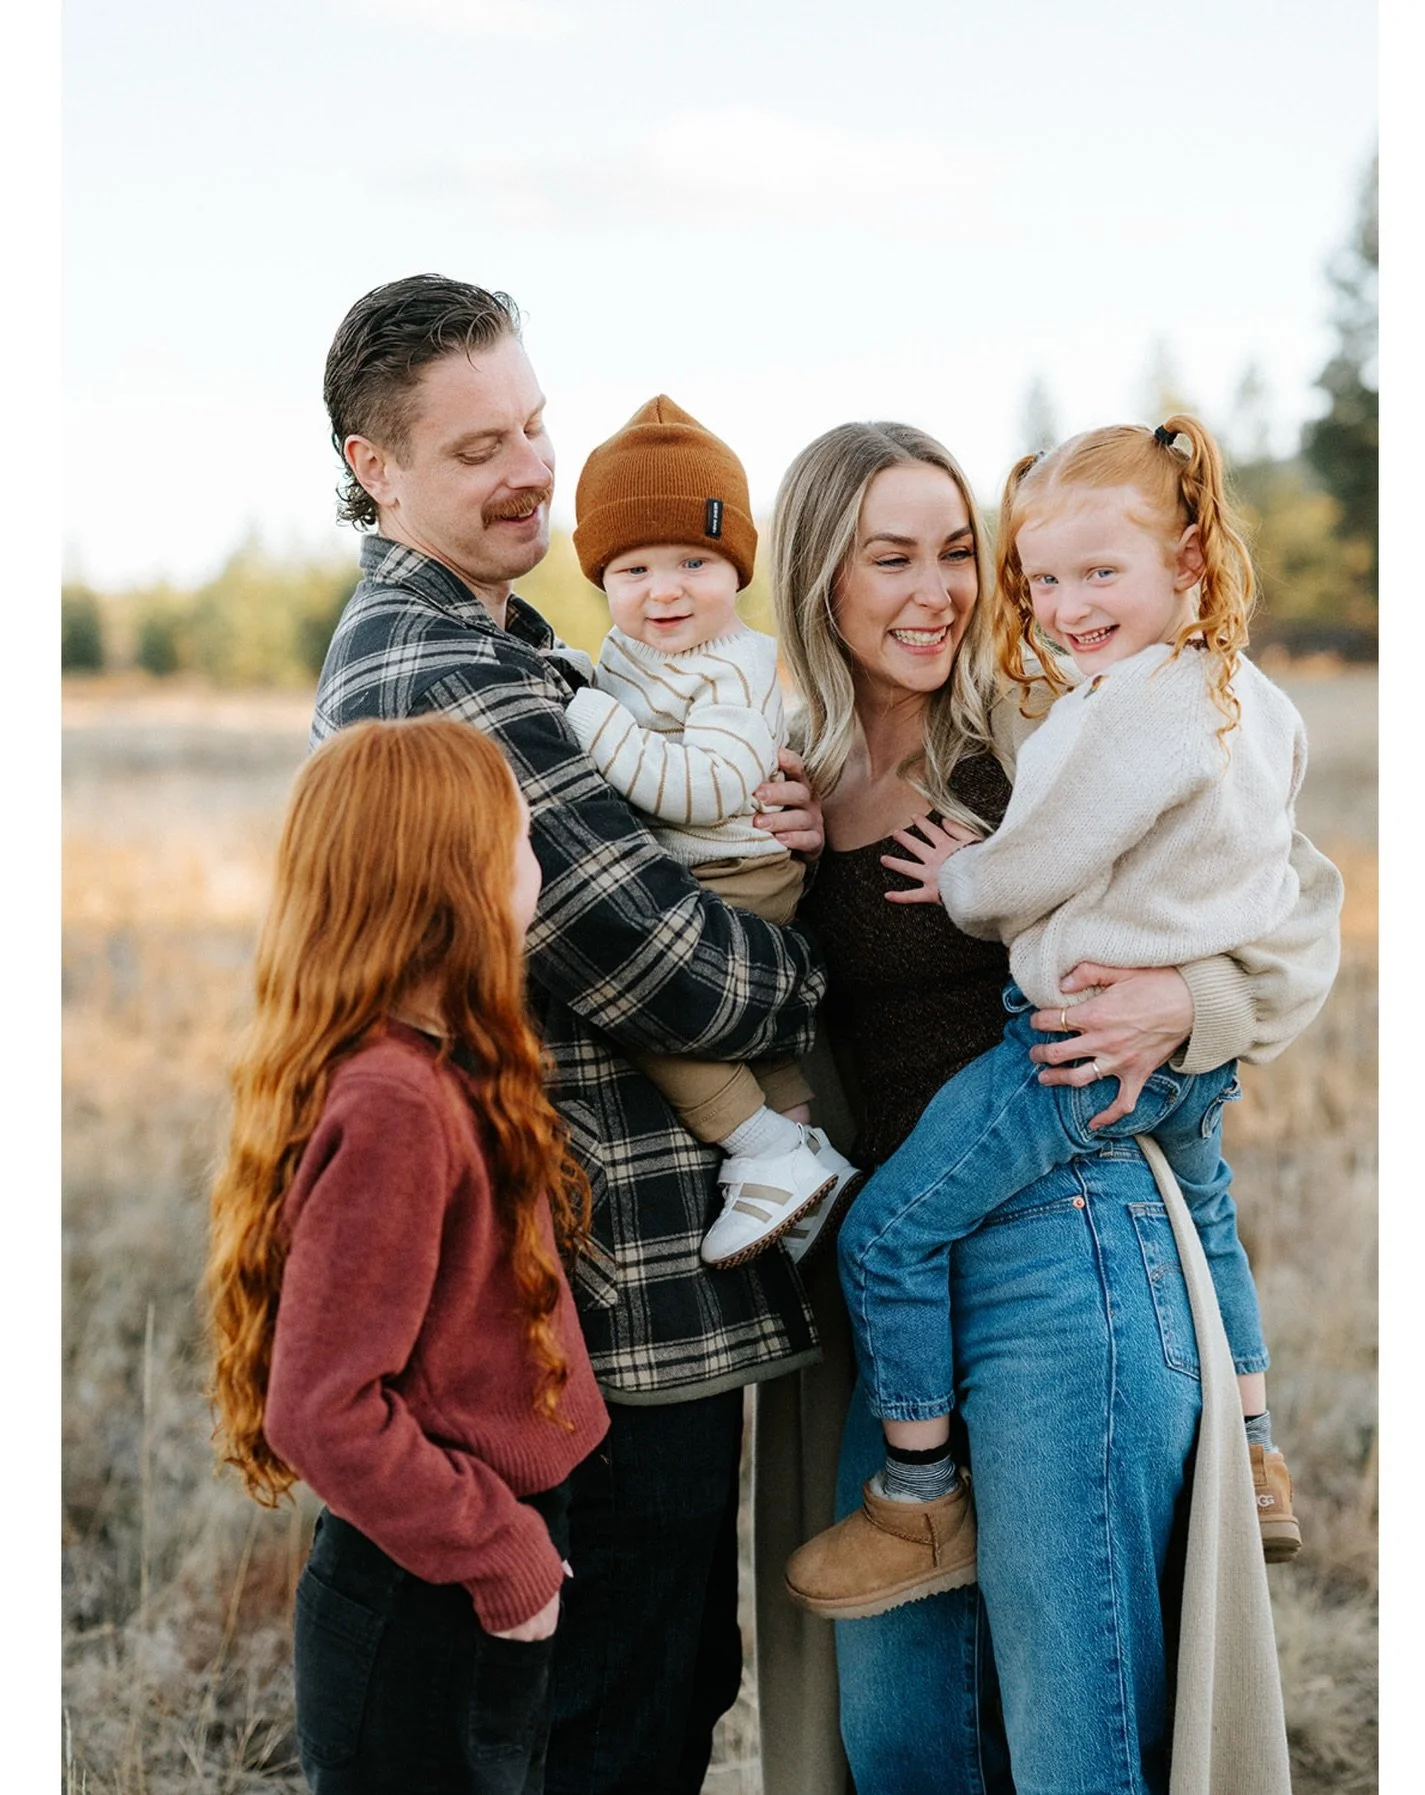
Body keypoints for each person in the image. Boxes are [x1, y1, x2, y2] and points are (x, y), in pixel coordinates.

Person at [751, 420, 1342, 1794]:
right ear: (820, 580)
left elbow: (1294, 899)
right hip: (900, 1279)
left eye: (958, 551)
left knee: (1079, 1738)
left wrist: (1193, 1004)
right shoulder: (779, 765)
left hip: (1065, 1249)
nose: (936, 589)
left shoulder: (1050, 719)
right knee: (900, 1736)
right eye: (889, 555)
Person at [308, 274, 830, 1795]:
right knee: (619, 1715)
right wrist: (820, 955)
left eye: (535, 421)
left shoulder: (530, 644)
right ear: (376, 468)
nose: (533, 463)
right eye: (480, 446)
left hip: (643, 1292)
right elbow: (664, 964)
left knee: (665, 1684)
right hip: (601, 1319)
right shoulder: (435, 670)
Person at [204, 716, 610, 1793]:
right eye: (519, 843)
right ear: (448, 880)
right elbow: (322, 1407)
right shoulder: (395, 1101)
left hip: (461, 1573)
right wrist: (503, 1555)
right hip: (425, 1602)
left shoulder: (443, 1065)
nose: (539, 869)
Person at [563, 394, 863, 1269]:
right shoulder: (650, 649)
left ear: (736, 569)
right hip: (711, 869)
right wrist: (591, 684)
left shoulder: (732, 667)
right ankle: (806, 1154)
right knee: (759, 1050)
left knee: (657, 1003)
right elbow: (631, 705)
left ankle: (761, 1153)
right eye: (633, 569)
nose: (664, 589)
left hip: (735, 869)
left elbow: (707, 783)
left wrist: (589, 721)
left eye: (694, 559)